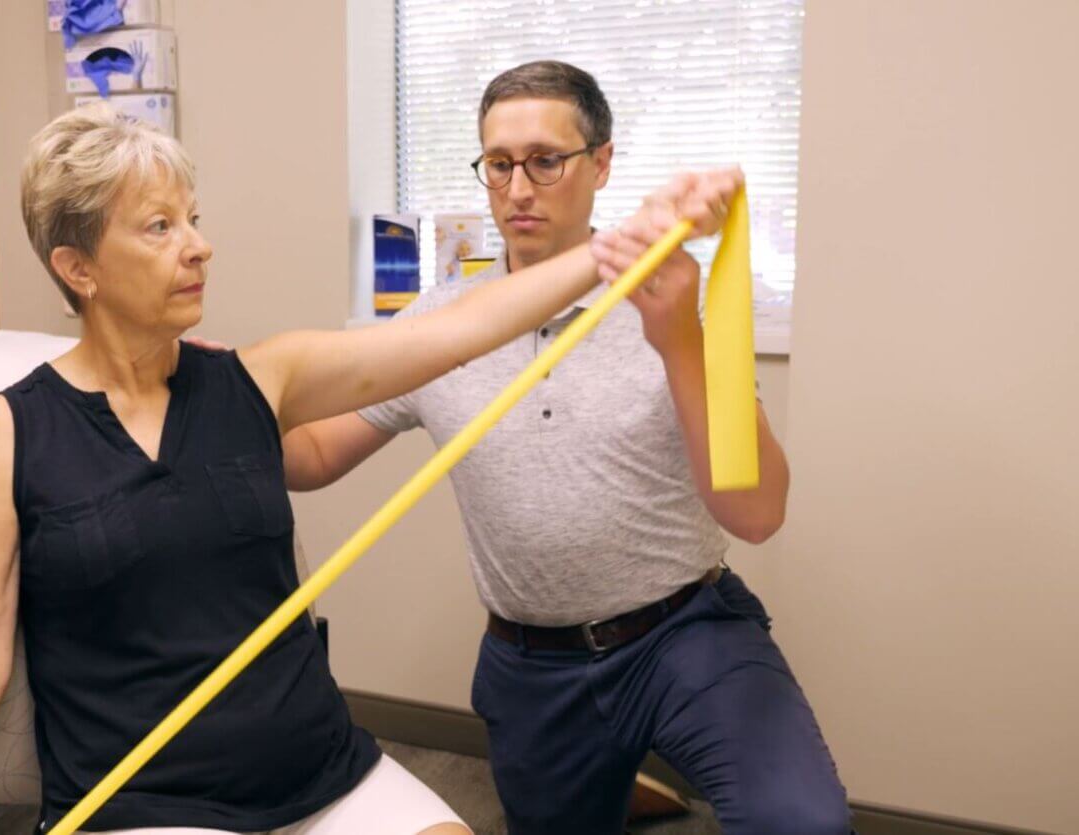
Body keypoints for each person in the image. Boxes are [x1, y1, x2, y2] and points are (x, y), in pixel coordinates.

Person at [0, 101, 741, 834]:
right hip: (143, 799)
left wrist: (622, 247)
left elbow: (452, 332)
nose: (200, 247)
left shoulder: (260, 379)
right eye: (160, 227)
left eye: (193, 217)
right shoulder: (5, 436)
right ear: (77, 269)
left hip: (320, 768)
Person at [282, 61, 852, 834]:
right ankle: (620, 776)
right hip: (532, 663)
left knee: (802, 824)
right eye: (499, 165)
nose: (518, 189)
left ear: (602, 163)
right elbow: (314, 456)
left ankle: (629, 763)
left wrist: (678, 338)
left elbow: (756, 512)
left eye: (546, 161)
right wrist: (193, 403)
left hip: (684, 634)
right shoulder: (441, 322)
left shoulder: (670, 294)